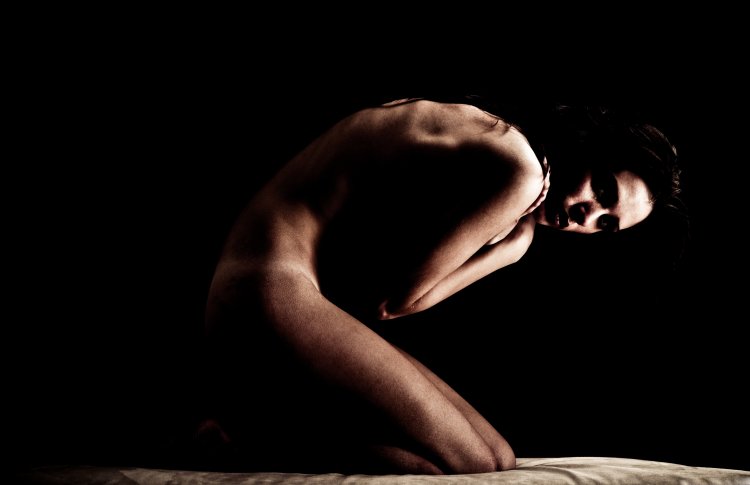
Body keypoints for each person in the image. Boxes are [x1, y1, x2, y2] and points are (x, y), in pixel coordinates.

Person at [192, 97, 682, 475]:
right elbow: (392, 302)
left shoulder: (498, 145)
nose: (584, 216)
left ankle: (250, 434)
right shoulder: (519, 166)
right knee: (469, 463)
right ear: (588, 144)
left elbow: (383, 285)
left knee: (498, 458)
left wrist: (515, 240)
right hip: (264, 289)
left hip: (280, 293)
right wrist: (510, 238)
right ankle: (240, 443)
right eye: (601, 189)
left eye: (604, 224)